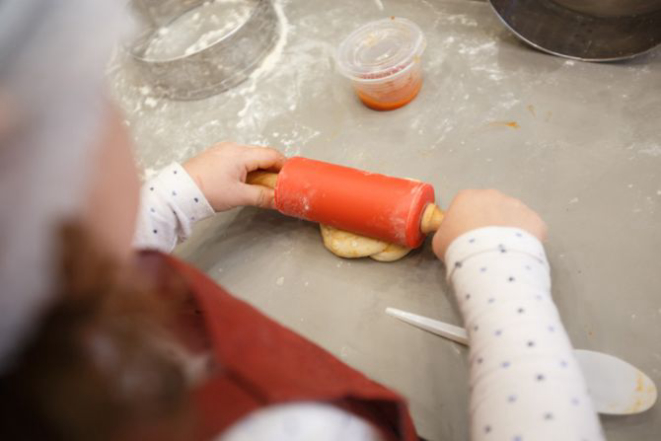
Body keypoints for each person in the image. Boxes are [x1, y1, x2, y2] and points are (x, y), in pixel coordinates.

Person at [0, 1, 604, 440]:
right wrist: (498, 270)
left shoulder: (36, 310)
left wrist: (179, 196)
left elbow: (57, 251)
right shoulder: (289, 428)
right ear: (51, 184)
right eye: (93, 107)